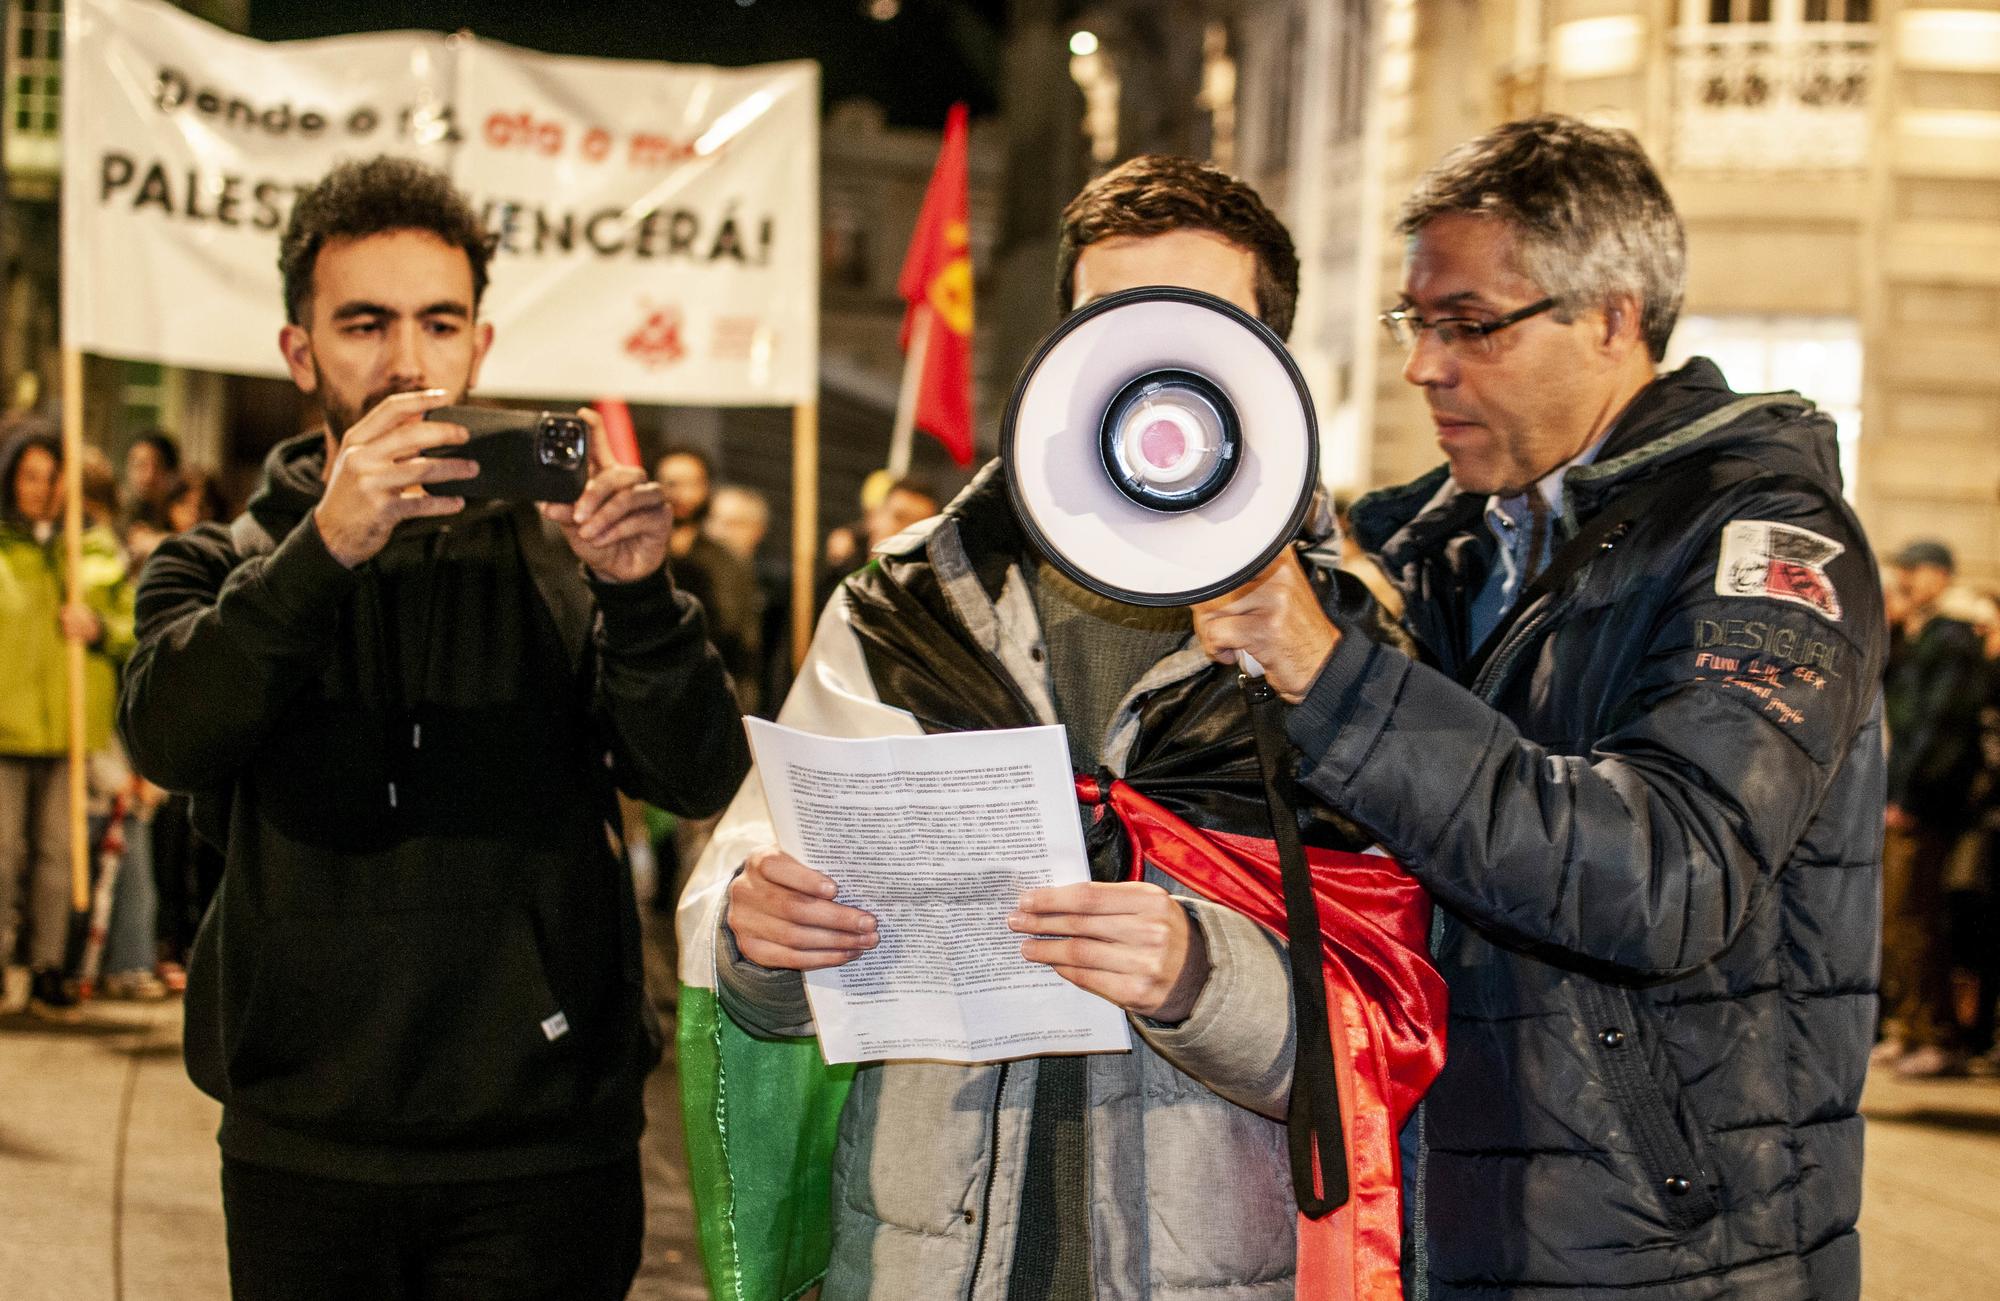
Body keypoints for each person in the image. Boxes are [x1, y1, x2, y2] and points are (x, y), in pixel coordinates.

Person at [680, 154, 1444, 1299]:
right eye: (1112, 322)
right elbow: (755, 938)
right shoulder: (902, 611)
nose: (1152, 368)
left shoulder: (1349, 646)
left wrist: (1201, 978)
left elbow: (1393, 1019)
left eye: (1193, 324)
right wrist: (759, 933)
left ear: (1266, 359)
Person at [1192, 116, 1886, 1299]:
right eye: (1415, 321)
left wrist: (1336, 676)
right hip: (1445, 1217)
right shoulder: (1433, 545)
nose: (1423, 366)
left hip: (1670, 1258)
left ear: (1611, 315)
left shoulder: (1765, 541)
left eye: (1469, 324)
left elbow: (1665, 873)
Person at [119, 155, 748, 1301]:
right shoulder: (222, 562)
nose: (407, 362)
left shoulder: (561, 552)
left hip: (546, 1148)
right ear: (298, 350)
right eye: (363, 322)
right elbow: (170, 737)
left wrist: (639, 595)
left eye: (438, 322)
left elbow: (695, 769)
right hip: (303, 1144)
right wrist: (325, 552)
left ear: (481, 346)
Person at [1, 419, 132, 1020]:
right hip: (6, 727)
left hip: (67, 731)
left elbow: (136, 626)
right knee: (4, 853)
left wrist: (98, 627)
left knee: (59, 856)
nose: (40, 488)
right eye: (29, 476)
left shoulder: (95, 550)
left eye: (51, 477)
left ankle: (50, 964)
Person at [1878, 539, 1988, 1077]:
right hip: (1906, 798)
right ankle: (1911, 1028)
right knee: (1898, 921)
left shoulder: (1950, 638)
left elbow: (1939, 728)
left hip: (1925, 805)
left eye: (1914, 570)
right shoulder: (1921, 636)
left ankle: (1938, 1036)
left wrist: (1909, 797)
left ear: (1941, 576)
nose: (1904, 578)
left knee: (1918, 919)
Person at [656, 447, 760, 706]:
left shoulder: (730, 561)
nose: (682, 495)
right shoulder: (636, 556)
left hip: (713, 696)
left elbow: (745, 645)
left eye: (692, 484)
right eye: (672, 484)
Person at [123, 429, 181, 524]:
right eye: (140, 465)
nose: (148, 477)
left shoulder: (185, 519)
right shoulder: (120, 518)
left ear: (172, 471)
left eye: (157, 466)